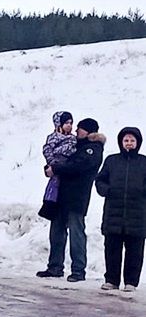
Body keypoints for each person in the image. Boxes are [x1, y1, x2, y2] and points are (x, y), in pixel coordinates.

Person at [37, 117, 105, 282]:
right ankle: (55, 267)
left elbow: (78, 167)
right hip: (61, 196)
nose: (75, 131)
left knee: (76, 234)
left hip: (76, 198)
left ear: (88, 131)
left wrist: (56, 169)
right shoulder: (75, 146)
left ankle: (78, 270)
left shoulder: (92, 149)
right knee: (56, 233)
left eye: (79, 128)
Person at [95, 127, 146, 293]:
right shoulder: (112, 160)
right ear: (121, 142)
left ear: (138, 143)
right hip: (113, 213)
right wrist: (106, 190)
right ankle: (111, 280)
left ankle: (131, 282)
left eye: (132, 140)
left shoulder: (144, 162)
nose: (129, 143)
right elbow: (100, 180)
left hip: (137, 214)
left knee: (135, 251)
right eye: (126, 140)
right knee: (112, 249)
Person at [38, 111, 76, 219]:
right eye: (66, 123)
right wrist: (52, 162)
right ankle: (49, 205)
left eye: (71, 123)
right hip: (57, 164)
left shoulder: (73, 139)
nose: (69, 125)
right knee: (54, 186)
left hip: (68, 166)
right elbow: (47, 149)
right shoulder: (54, 137)